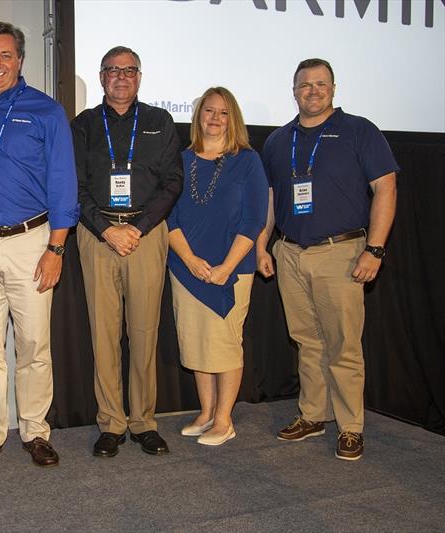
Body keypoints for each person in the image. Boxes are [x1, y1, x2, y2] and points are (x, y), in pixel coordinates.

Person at [255, 58, 397, 461]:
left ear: (333, 88)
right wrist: (263, 244)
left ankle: (351, 426)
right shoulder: (279, 141)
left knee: (343, 345)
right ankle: (313, 415)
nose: (312, 91)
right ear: (294, 90)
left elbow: (385, 188)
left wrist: (375, 249)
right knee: (307, 341)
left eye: (320, 84)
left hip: (342, 252)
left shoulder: (360, 131)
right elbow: (270, 198)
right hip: (290, 252)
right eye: (305, 84)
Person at [0, 22, 78, 470]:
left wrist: (56, 248)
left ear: (20, 60)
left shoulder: (45, 111)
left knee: (32, 344)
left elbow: (64, 182)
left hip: (31, 243)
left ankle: (35, 430)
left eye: (5, 56)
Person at [72, 46, 182, 458]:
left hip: (146, 233)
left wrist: (136, 228)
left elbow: (172, 182)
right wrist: (106, 230)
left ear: (140, 76)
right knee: (103, 335)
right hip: (97, 234)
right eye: (113, 71)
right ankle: (111, 423)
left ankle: (143, 421)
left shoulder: (159, 121)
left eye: (129, 70)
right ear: (101, 77)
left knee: (143, 332)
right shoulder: (82, 125)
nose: (121, 77)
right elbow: (75, 188)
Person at [167, 87, 267, 446]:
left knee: (224, 344)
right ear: (198, 117)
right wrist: (190, 260)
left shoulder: (248, 160)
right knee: (196, 343)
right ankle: (207, 412)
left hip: (232, 269)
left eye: (223, 113)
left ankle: (225, 419)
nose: (215, 118)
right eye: (208, 111)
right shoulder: (180, 159)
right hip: (186, 268)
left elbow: (254, 220)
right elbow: (169, 217)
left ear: (233, 119)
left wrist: (226, 266)